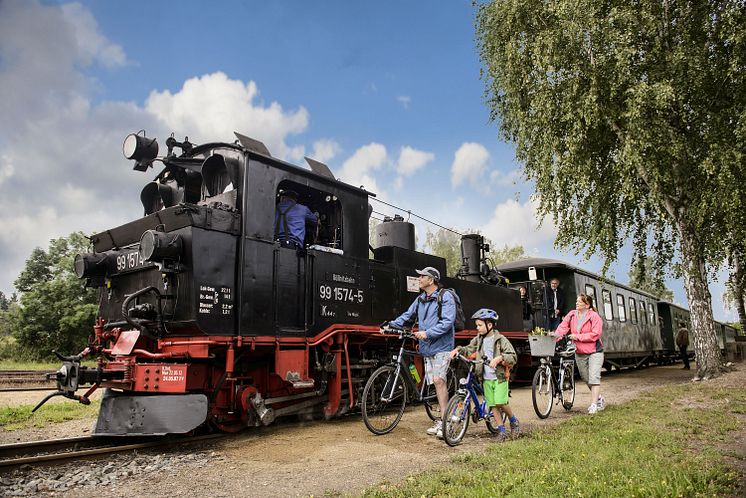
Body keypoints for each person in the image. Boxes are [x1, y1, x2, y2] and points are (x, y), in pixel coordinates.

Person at [386, 266, 456, 438]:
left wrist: (427, 333)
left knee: (439, 381)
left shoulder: (446, 297)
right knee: (433, 382)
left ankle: (445, 422)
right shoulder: (421, 299)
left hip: (442, 347)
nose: (419, 279)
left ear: (431, 280)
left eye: (422, 276)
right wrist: (390, 325)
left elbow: (448, 322)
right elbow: (407, 316)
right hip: (427, 348)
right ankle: (440, 420)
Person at [449, 308, 519, 440]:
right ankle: (501, 430)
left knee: (501, 403)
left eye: (480, 325)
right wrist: (457, 350)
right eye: (477, 325)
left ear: (490, 325)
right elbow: (469, 349)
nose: (477, 328)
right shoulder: (478, 339)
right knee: (492, 405)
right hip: (486, 378)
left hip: (499, 378)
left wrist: (499, 358)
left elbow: (512, 356)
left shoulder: (500, 339)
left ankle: (513, 421)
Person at [554, 293, 605, 414]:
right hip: (580, 352)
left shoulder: (594, 316)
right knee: (586, 378)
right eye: (577, 301)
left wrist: (577, 336)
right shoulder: (572, 315)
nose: (577, 303)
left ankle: (593, 405)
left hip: (595, 351)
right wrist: (554, 337)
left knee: (594, 377)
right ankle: (599, 398)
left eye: (580, 302)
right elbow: (563, 327)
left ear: (587, 305)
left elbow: (595, 334)